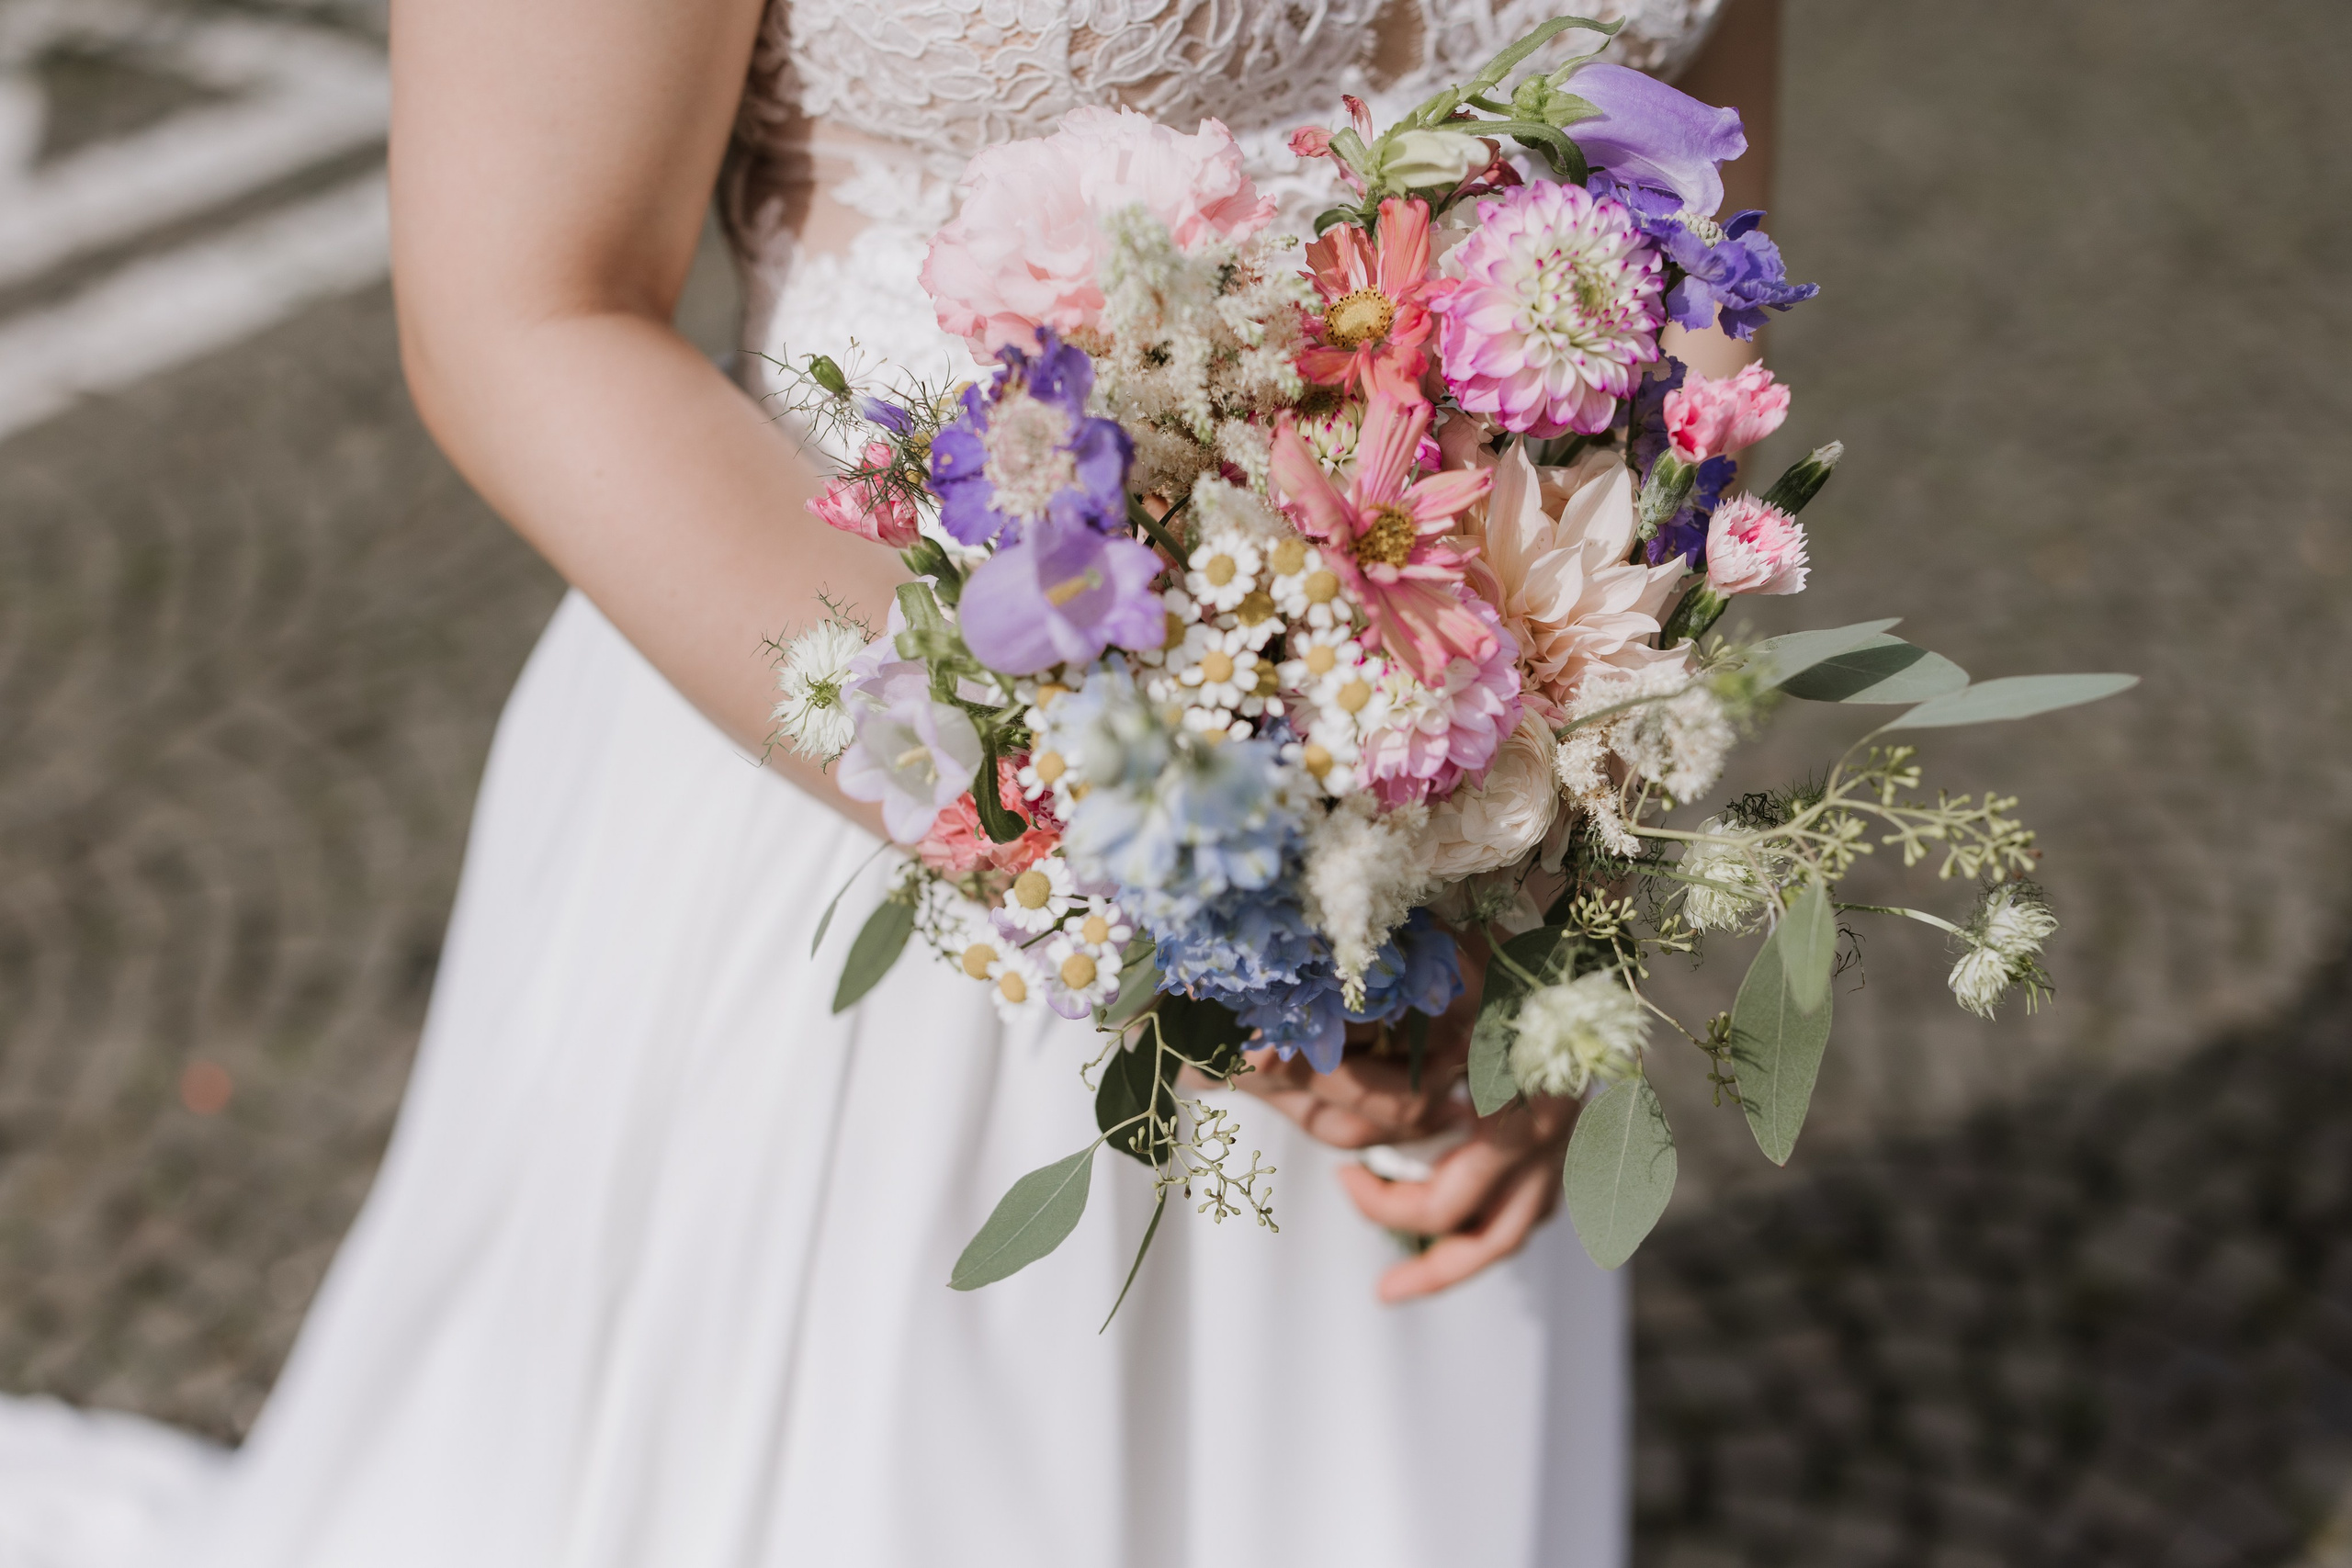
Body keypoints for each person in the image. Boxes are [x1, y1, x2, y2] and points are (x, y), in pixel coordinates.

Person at [0, 1, 1778, 1561]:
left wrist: (1560, 882)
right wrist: (1148, 870)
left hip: (1442, 888)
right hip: (866, 812)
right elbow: (523, 308)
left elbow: (1701, 265)